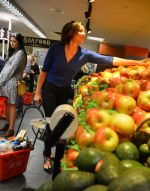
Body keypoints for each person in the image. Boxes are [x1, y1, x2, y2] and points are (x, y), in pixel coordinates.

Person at [34, 20, 149, 174]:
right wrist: (38, 92)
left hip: (64, 91)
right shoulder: (56, 48)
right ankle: (47, 155)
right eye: (81, 30)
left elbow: (111, 60)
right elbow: (44, 71)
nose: (84, 33)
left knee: (62, 124)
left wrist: (138, 63)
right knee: (51, 122)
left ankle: (56, 151)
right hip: (50, 89)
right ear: (71, 33)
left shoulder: (84, 54)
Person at [0, 33, 27, 137]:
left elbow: (12, 69)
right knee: (7, 104)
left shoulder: (20, 53)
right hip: (6, 82)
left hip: (11, 82)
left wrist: (1, 81)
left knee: (12, 105)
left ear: (19, 42)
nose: (12, 43)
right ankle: (7, 124)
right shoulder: (13, 52)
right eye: (11, 41)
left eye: (14, 41)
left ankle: (11, 128)